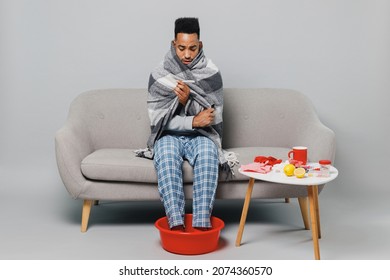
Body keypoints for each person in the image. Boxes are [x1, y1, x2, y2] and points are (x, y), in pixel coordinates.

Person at [137, 17, 235, 231]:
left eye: (192, 48)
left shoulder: (211, 73)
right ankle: (176, 224)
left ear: (200, 45)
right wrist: (190, 115)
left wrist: (188, 102)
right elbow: (157, 121)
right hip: (168, 135)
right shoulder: (160, 74)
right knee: (166, 156)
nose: (187, 54)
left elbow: (210, 119)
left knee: (209, 156)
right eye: (181, 48)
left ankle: (201, 225)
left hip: (203, 136)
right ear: (174, 45)